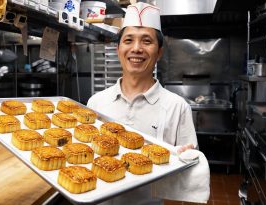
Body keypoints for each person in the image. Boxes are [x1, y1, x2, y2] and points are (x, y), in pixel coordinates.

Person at [87, 2, 209, 205]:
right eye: (128, 40)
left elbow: (188, 174)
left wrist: (184, 160)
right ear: (118, 49)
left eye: (146, 41)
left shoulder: (177, 107)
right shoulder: (96, 102)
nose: (136, 49)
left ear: (159, 52)